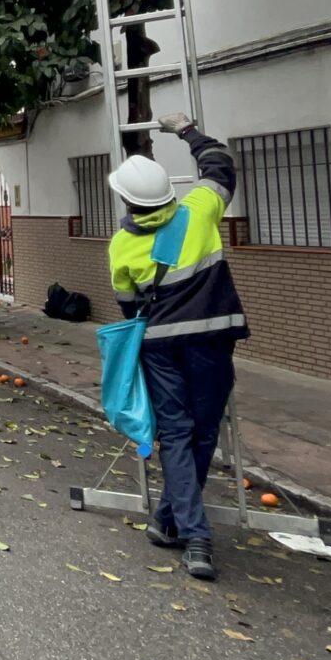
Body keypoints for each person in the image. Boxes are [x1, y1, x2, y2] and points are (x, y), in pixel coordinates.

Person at [107, 112, 249, 582]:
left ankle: (183, 526)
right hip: (213, 340)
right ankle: (186, 528)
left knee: (176, 434)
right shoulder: (200, 209)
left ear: (128, 200)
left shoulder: (122, 245)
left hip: (160, 349)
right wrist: (187, 130)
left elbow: (129, 308)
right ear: (169, 189)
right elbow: (219, 166)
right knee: (204, 432)